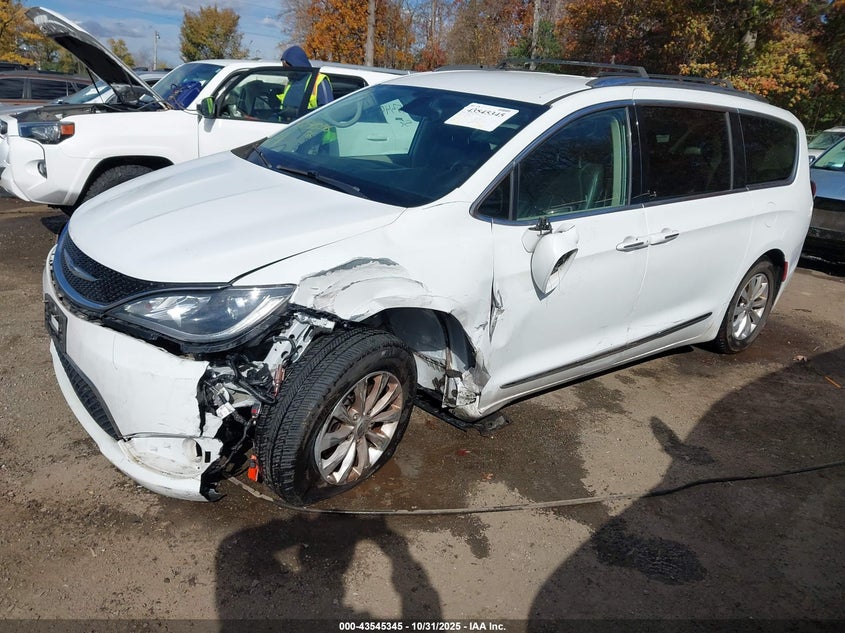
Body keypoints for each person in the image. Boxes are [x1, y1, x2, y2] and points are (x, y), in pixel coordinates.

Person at [278, 45, 333, 110]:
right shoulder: (290, 83)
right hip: (285, 120)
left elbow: (327, 110)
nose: (286, 72)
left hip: (309, 120)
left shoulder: (318, 80)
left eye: (287, 68)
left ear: (296, 65)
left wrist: (297, 112)